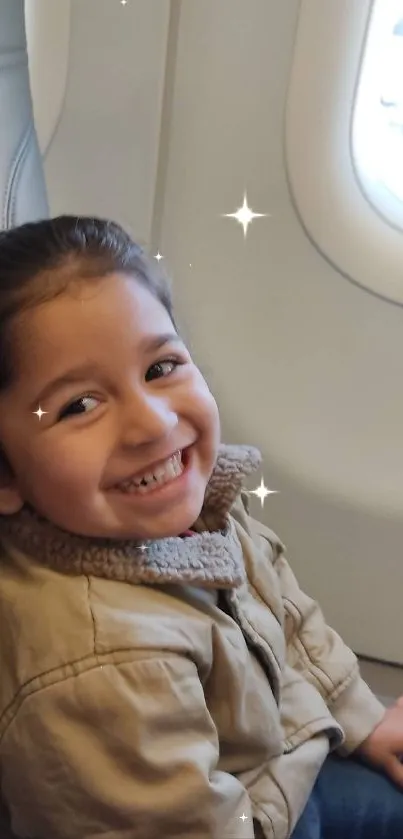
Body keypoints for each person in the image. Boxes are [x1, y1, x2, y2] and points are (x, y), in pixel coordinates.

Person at [0, 216, 401, 839]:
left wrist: (361, 717)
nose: (153, 425)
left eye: (160, 367)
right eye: (79, 405)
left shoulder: (194, 504)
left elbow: (286, 613)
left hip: (278, 765)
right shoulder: (102, 665)